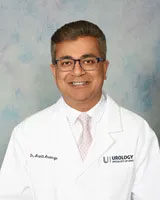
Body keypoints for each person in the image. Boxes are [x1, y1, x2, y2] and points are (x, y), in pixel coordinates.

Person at [0, 20, 160, 200]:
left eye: (88, 61)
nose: (77, 71)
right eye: (66, 62)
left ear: (104, 68)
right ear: (54, 71)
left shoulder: (138, 132)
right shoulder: (26, 134)